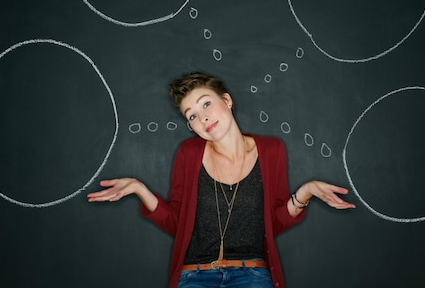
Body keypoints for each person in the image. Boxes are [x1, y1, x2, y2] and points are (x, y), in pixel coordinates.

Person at [88, 72, 355, 288]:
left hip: (251, 275)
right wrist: (139, 189)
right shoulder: (188, 153)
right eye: (191, 115)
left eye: (206, 103)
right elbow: (178, 224)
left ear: (226, 100)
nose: (202, 117)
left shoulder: (272, 151)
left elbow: (272, 224)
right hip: (195, 276)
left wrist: (304, 193)